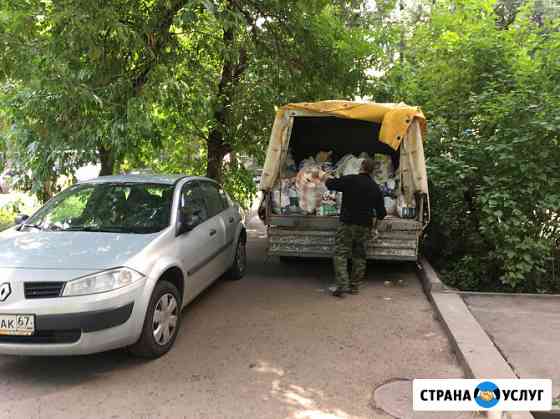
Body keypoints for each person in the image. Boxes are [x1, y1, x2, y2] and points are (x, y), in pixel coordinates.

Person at [324, 158, 386, 297]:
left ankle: (342, 286)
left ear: (361, 167)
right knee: (359, 256)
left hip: (347, 224)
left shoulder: (350, 180)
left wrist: (325, 176)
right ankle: (354, 287)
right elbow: (382, 213)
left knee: (341, 254)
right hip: (364, 226)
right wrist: (375, 227)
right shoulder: (375, 188)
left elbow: (330, 184)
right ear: (373, 171)